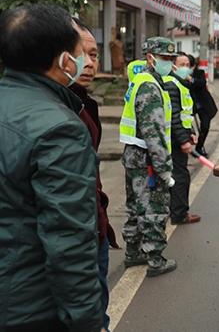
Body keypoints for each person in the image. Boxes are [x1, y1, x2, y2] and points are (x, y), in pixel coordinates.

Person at [0, 4, 102, 332]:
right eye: (79, 51)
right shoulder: (60, 128)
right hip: (31, 308)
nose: (85, 61)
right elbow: (68, 241)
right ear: (63, 60)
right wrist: (88, 322)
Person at [71, 18, 120, 332]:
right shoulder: (55, 112)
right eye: (82, 54)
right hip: (78, 240)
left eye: (95, 54)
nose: (89, 63)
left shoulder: (85, 103)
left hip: (96, 227)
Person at [119, 36, 177, 277]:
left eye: (172, 59)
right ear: (151, 58)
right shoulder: (150, 86)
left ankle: (133, 253)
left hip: (134, 156)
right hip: (147, 159)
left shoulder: (140, 80)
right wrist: (164, 169)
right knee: (154, 207)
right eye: (165, 58)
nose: (170, 63)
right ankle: (155, 259)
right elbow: (154, 133)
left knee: (134, 205)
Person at [164, 52, 201, 225]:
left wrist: (191, 131)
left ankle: (176, 211)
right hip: (174, 140)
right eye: (182, 64)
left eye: (188, 64)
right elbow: (174, 117)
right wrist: (183, 140)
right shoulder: (172, 84)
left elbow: (186, 114)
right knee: (180, 176)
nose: (186, 67)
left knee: (178, 175)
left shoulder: (181, 83)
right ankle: (179, 214)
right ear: (174, 66)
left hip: (179, 137)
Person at [187, 54, 217, 157]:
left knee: (205, 127)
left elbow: (202, 82)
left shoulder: (199, 73)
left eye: (188, 66)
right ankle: (190, 146)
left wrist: (191, 79)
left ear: (193, 66)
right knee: (188, 128)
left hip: (203, 105)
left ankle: (199, 147)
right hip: (190, 107)